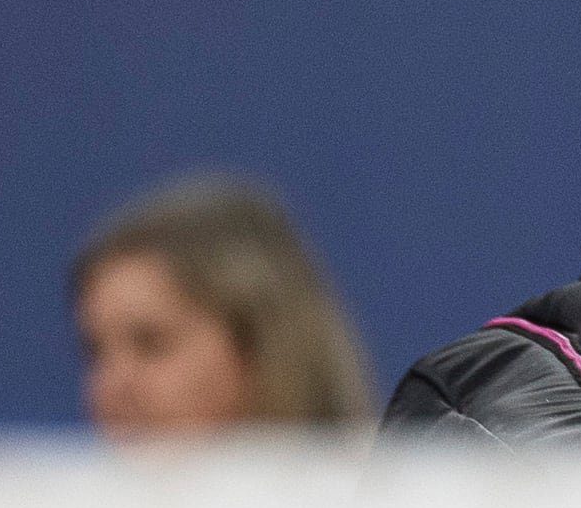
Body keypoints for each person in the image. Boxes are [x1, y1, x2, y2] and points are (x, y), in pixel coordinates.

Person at [72, 174, 375, 440]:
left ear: (259, 346)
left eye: (152, 343)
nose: (111, 386)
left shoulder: (392, 502)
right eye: (95, 352)